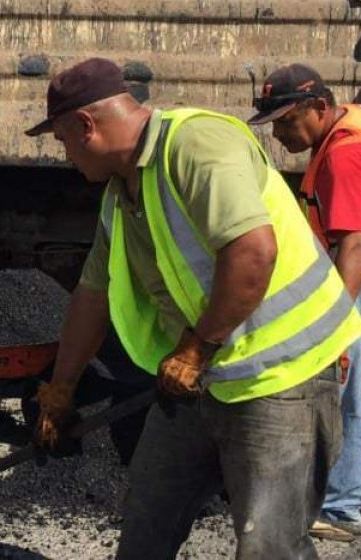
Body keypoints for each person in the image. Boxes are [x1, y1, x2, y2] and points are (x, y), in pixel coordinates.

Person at [25, 57, 361, 559]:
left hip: (280, 377)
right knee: (146, 522)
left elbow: (253, 250)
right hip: (197, 379)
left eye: (63, 142)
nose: (67, 157)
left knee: (268, 544)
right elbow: (92, 295)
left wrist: (194, 351)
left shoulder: (196, 144)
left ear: (86, 125)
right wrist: (60, 390)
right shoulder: (120, 197)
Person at [249, 63, 361, 541]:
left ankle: (337, 507)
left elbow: (354, 244)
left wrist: (333, 327)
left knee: (341, 398)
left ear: (320, 107)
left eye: (286, 122)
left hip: (353, 291)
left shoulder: (343, 155)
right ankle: (344, 502)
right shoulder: (346, 132)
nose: (278, 134)